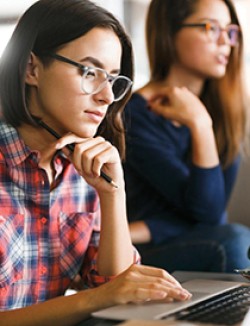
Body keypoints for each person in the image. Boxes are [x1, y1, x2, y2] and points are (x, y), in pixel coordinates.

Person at [0, 0, 192, 325]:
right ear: (32, 69)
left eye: (114, 80)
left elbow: (120, 291)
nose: (106, 96)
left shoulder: (83, 169)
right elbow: (107, 295)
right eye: (90, 71)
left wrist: (112, 193)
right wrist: (98, 298)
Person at [123, 0, 250, 273]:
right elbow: (210, 214)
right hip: (141, 254)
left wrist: (148, 229)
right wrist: (200, 124)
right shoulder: (134, 115)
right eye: (210, 28)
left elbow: (213, 214)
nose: (225, 42)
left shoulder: (226, 111)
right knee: (234, 241)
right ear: (170, 32)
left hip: (183, 237)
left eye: (230, 31)